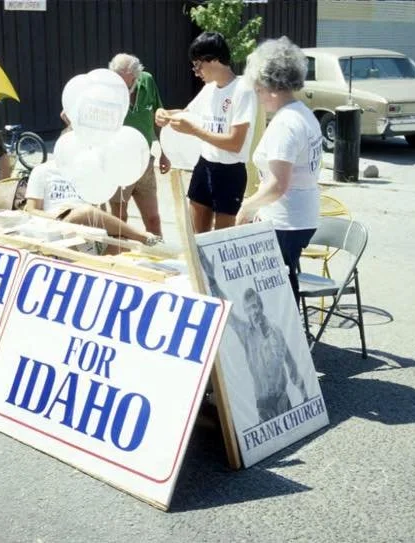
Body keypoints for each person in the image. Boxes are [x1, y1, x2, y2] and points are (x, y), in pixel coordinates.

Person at [237, 37, 323, 300]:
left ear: (272, 87)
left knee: (276, 290)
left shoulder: (285, 124)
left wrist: (247, 207)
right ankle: (290, 336)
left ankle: (289, 339)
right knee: (282, 282)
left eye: (259, 91)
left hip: (286, 219)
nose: (259, 98)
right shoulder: (304, 114)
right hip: (300, 216)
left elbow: (278, 185)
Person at [155, 31, 257, 233]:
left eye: (197, 64)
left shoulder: (243, 90)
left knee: (221, 243)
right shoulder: (209, 89)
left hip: (230, 171)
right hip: (205, 165)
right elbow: (186, 113)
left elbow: (235, 142)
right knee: (196, 238)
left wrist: (194, 131)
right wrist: (164, 113)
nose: (195, 71)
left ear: (215, 60)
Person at [199, 248, 308, 423]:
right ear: (246, 312)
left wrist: (305, 395)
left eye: (256, 306)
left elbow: (292, 365)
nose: (254, 311)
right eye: (249, 308)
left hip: (283, 399)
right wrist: (212, 280)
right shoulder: (245, 333)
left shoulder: (277, 332)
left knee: (292, 434)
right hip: (263, 405)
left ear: (261, 306)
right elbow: (226, 309)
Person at [24, 161, 162, 252]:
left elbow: (99, 208)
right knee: (84, 211)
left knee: (121, 247)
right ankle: (142, 236)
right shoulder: (43, 170)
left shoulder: (85, 171)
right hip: (58, 221)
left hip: (86, 225)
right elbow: (30, 210)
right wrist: (54, 216)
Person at [107, 53, 170, 236]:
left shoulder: (147, 81)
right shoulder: (107, 88)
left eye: (128, 81)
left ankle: (159, 256)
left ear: (136, 76)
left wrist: (165, 153)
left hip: (145, 162)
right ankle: (119, 258)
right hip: (118, 164)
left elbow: (158, 118)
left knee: (153, 218)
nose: (124, 86)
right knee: (120, 220)